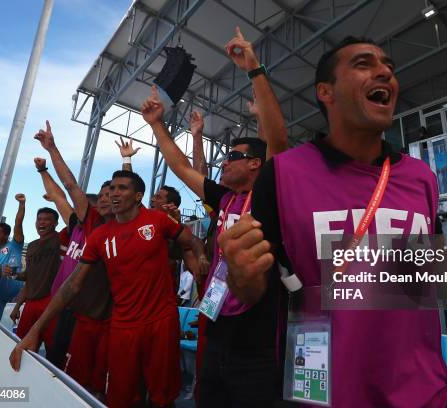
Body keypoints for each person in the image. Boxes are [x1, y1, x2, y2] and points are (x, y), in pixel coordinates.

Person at [217, 36, 447, 407]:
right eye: (364, 64)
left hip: (423, 393)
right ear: (325, 92)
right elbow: (256, 289)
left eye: (389, 67)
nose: (385, 72)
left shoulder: (421, 178)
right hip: (320, 393)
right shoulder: (283, 173)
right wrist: (240, 273)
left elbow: (433, 276)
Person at [140, 28, 289, 407]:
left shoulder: (270, 192)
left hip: (258, 328)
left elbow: (276, 139)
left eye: (232, 157)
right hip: (216, 318)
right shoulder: (224, 198)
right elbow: (177, 165)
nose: (223, 162)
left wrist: (254, 68)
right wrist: (157, 124)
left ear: (256, 164)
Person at [10, 170, 210, 408]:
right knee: (120, 396)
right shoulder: (99, 236)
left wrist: (200, 259)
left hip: (161, 322)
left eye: (122, 188)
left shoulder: (156, 220)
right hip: (122, 326)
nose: (115, 193)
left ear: (138, 196)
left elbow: (192, 241)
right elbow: (72, 285)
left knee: (162, 396)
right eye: (112, 188)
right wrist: (35, 330)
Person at [33, 121, 116, 398]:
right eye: (101, 195)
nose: (105, 199)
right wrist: (48, 158)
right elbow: (65, 189)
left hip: (92, 317)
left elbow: (69, 187)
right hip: (65, 309)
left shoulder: (111, 229)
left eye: (110, 195)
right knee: (57, 368)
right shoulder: (85, 222)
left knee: (84, 384)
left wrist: (51, 150)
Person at [10, 206, 61, 354]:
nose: (42, 222)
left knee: (53, 351)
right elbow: (28, 277)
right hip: (31, 304)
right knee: (21, 348)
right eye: (39, 219)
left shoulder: (61, 240)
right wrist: (17, 305)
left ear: (56, 223)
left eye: (47, 219)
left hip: (52, 302)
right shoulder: (31, 246)